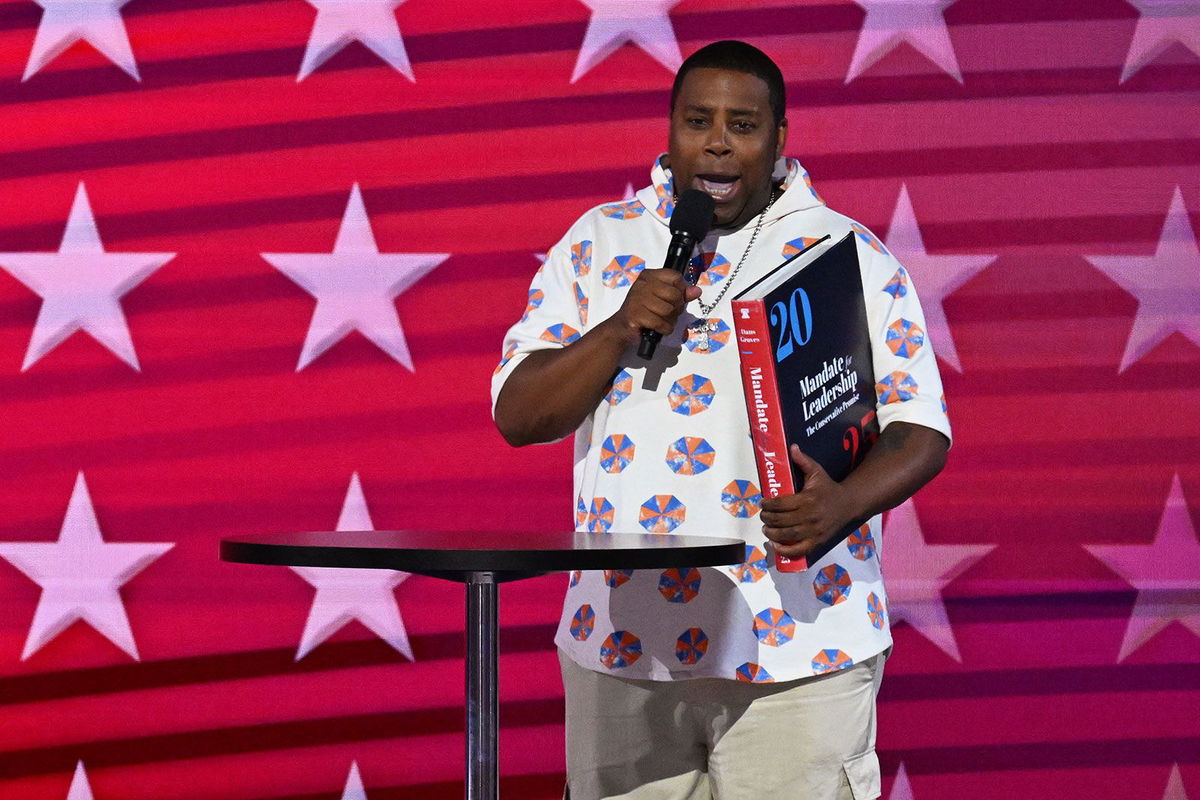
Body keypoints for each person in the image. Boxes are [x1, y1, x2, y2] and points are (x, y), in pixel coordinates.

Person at [491, 40, 950, 800]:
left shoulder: (846, 255)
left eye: (743, 124)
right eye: (697, 120)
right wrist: (614, 331)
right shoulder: (599, 241)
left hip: (800, 645)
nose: (718, 142)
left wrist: (839, 503)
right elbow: (518, 413)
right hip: (624, 644)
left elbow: (921, 429)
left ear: (779, 139)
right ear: (669, 130)